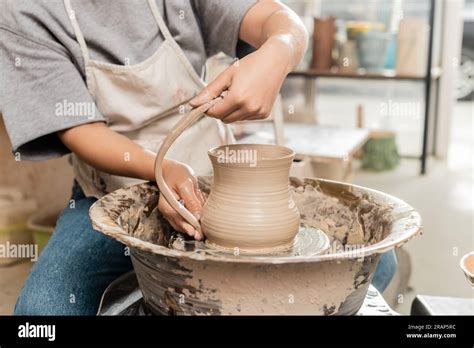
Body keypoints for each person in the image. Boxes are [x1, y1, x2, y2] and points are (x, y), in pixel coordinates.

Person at [0, 0, 395, 315]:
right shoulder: (23, 11)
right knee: (42, 310)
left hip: (217, 178)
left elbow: (278, 19)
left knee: (381, 262)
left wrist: (281, 48)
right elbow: (78, 130)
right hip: (111, 194)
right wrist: (161, 168)